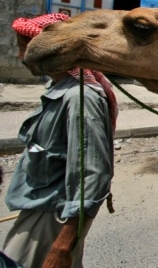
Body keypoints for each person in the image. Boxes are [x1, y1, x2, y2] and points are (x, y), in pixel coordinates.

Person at [3, 14, 118, 267]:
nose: (22, 57)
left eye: (26, 49)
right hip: (38, 208)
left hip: (53, 217)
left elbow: (94, 175)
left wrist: (63, 246)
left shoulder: (80, 97)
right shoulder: (59, 91)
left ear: (51, 52)